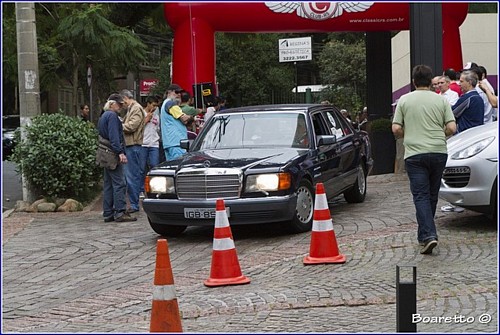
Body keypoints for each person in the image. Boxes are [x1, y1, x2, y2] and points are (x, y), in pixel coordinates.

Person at [392, 64, 456, 255]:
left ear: (413, 82)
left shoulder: (404, 100)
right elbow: (452, 128)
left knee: (420, 195)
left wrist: (408, 132)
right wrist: (439, 134)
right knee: (432, 195)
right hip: (438, 151)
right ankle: (424, 234)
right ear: (431, 82)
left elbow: (395, 128)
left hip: (415, 153)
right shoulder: (441, 100)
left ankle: (429, 235)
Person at [97, 94, 137, 223]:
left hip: (104, 152)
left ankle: (108, 212)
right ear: (112, 104)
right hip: (112, 153)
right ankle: (120, 211)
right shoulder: (113, 116)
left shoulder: (104, 115)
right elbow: (114, 137)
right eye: (119, 104)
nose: (120, 106)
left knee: (108, 184)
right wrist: (120, 152)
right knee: (119, 183)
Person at [120, 89, 146, 214]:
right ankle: (134, 203)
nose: (122, 105)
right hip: (131, 145)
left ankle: (134, 204)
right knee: (131, 176)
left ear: (125, 98)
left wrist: (118, 125)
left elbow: (131, 126)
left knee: (132, 176)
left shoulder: (136, 108)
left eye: (122, 102)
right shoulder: (132, 109)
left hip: (133, 145)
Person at [160, 84, 193, 161]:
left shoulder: (164, 104)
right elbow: (184, 119)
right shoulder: (171, 104)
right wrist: (191, 117)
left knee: (172, 169)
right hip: (177, 143)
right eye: (176, 92)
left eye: (180, 93)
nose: (179, 94)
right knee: (178, 167)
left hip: (169, 143)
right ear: (169, 92)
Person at [141, 96, 160, 195]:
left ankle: (155, 188)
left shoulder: (156, 116)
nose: (154, 108)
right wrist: (146, 119)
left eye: (156, 106)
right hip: (143, 143)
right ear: (148, 104)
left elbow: (157, 128)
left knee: (154, 165)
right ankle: (141, 188)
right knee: (142, 167)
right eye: (153, 105)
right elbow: (137, 127)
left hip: (154, 143)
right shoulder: (141, 113)